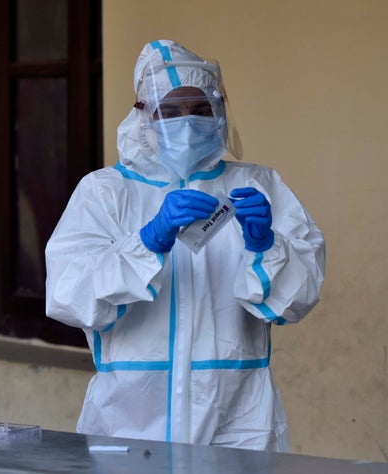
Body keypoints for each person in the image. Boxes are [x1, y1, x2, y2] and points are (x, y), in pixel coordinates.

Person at [44, 40, 325, 451]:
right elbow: (68, 295)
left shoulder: (256, 185)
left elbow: (300, 297)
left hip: (237, 418)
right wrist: (146, 242)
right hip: (131, 420)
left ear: (219, 113)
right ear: (143, 117)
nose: (187, 121)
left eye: (200, 109)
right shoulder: (106, 192)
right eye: (170, 112)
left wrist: (266, 245)